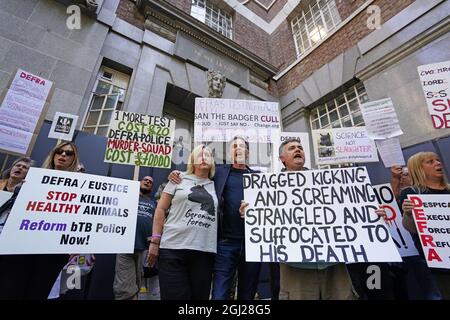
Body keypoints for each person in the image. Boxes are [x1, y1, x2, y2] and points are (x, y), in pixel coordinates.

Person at [242, 138, 357, 300]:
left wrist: (373, 215)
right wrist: (252, 214)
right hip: (295, 268)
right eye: (291, 148)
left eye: (300, 147)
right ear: (282, 158)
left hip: (333, 264)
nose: (297, 150)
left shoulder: (326, 181)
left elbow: (351, 211)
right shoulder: (269, 188)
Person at [0, 142, 80, 299]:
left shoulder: (79, 187)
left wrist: (75, 244)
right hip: (20, 246)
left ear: (73, 159)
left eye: (68, 153)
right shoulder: (31, 180)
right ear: (53, 154)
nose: (63, 155)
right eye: (59, 151)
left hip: (51, 251)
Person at [148, 145, 218, 300]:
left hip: (204, 252)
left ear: (213, 161)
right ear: (192, 161)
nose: (204, 157)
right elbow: (160, 209)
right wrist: (155, 240)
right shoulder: (178, 178)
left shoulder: (217, 185)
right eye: (199, 155)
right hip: (173, 248)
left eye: (207, 154)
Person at [397, 152, 450, 299]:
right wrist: (408, 214)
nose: (437, 163)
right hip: (437, 263)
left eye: (438, 160)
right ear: (418, 169)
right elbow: (412, 229)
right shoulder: (411, 193)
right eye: (430, 162)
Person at [113, 176, 156, 300]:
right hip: (125, 245)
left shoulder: (153, 203)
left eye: (150, 182)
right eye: (145, 180)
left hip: (144, 248)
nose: (148, 182)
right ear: (139, 183)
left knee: (137, 282)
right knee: (124, 285)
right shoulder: (129, 198)